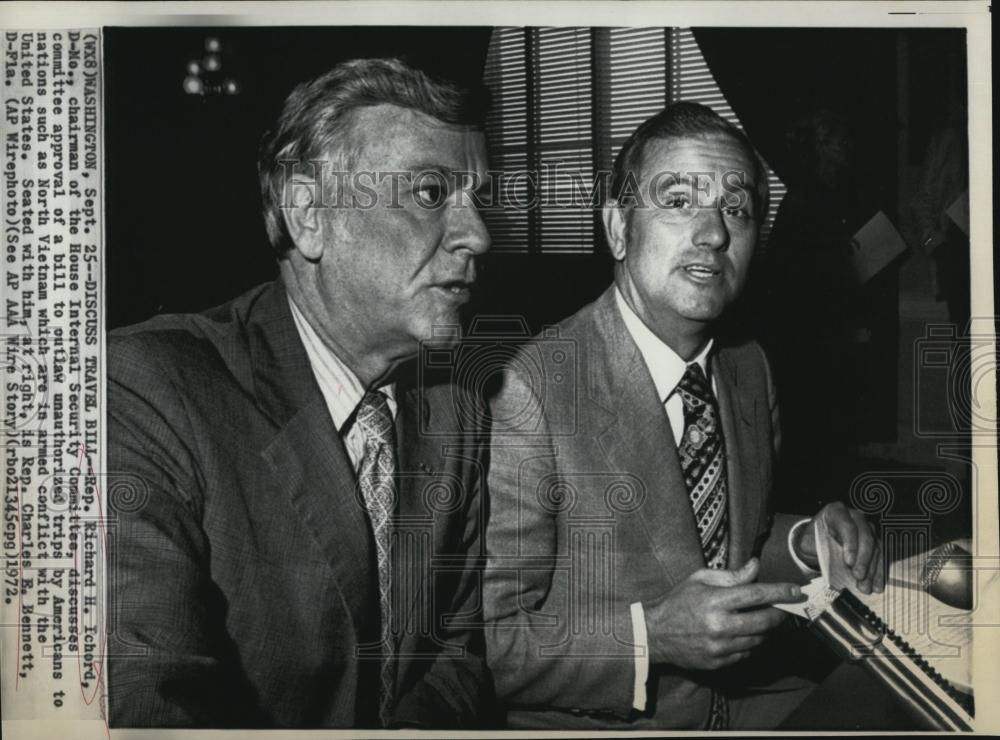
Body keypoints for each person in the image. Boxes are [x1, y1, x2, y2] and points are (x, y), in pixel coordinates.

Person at [107, 58, 492, 728]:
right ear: (309, 214)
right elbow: (145, 701)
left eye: (477, 198)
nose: (478, 235)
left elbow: (458, 653)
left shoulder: (455, 408)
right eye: (431, 192)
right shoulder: (146, 390)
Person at [483, 102, 884, 730]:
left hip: (742, 699)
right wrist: (651, 638)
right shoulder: (529, 390)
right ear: (618, 228)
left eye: (736, 209)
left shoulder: (748, 366)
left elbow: (726, 547)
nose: (714, 233)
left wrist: (804, 543)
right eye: (677, 201)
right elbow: (488, 645)